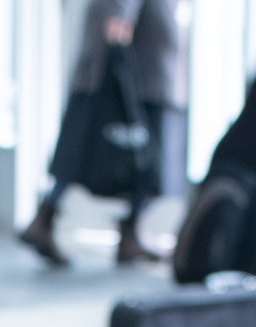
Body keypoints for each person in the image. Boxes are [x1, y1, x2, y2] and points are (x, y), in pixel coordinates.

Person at [20, 0, 183, 267]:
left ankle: (130, 232)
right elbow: (116, 18)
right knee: (134, 158)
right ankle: (48, 219)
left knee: (90, 154)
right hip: (131, 81)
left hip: (135, 76)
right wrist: (119, 17)